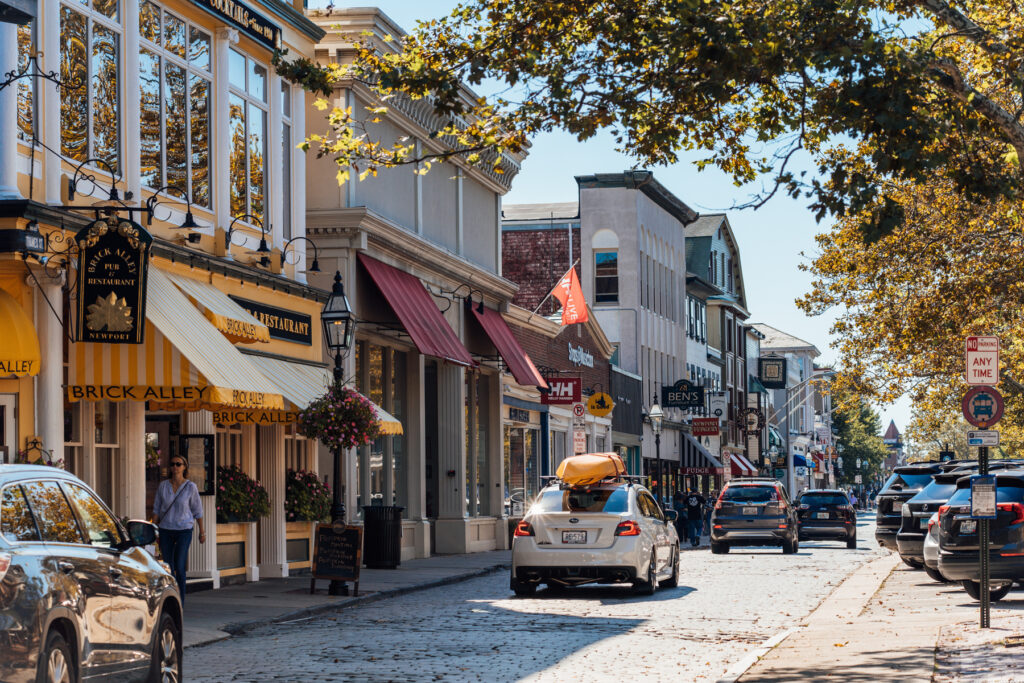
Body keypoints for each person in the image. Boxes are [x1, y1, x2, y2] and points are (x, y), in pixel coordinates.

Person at [152, 456, 205, 603]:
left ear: (184, 467)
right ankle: (172, 598)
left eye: (178, 464)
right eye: (172, 464)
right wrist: (151, 529)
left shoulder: (190, 487)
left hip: (184, 530)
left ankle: (180, 601)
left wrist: (202, 531)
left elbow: (198, 511)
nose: (175, 467)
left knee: (180, 566)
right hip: (165, 530)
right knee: (168, 566)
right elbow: (156, 509)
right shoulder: (163, 486)